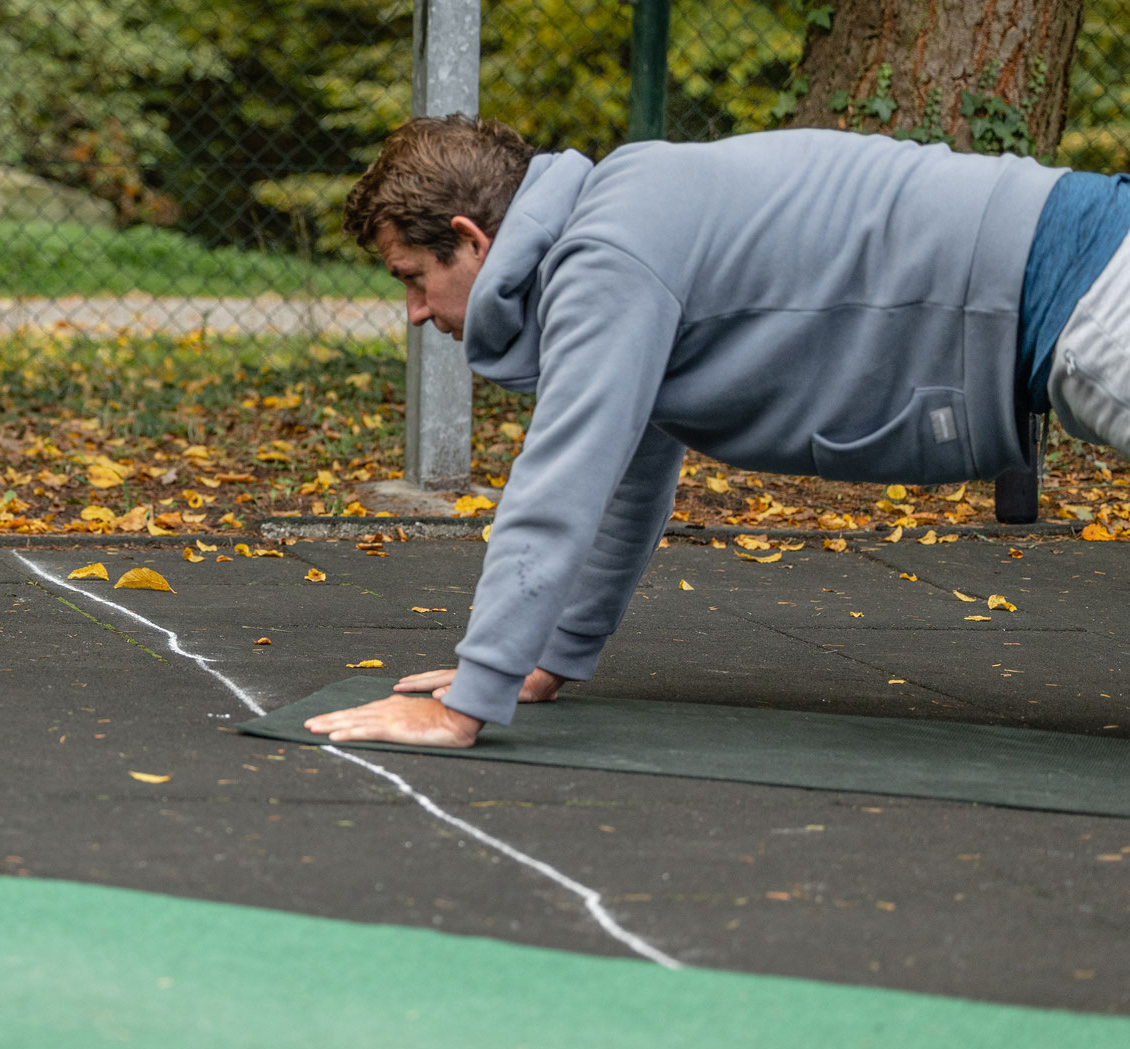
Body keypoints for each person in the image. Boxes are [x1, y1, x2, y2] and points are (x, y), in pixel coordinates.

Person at [305, 114, 1126, 749]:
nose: (415, 312)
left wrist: (467, 700)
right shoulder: (621, 213)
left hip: (1085, 285)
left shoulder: (605, 257)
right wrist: (544, 657)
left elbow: (560, 482)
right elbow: (630, 475)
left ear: (471, 239)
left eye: (414, 278)